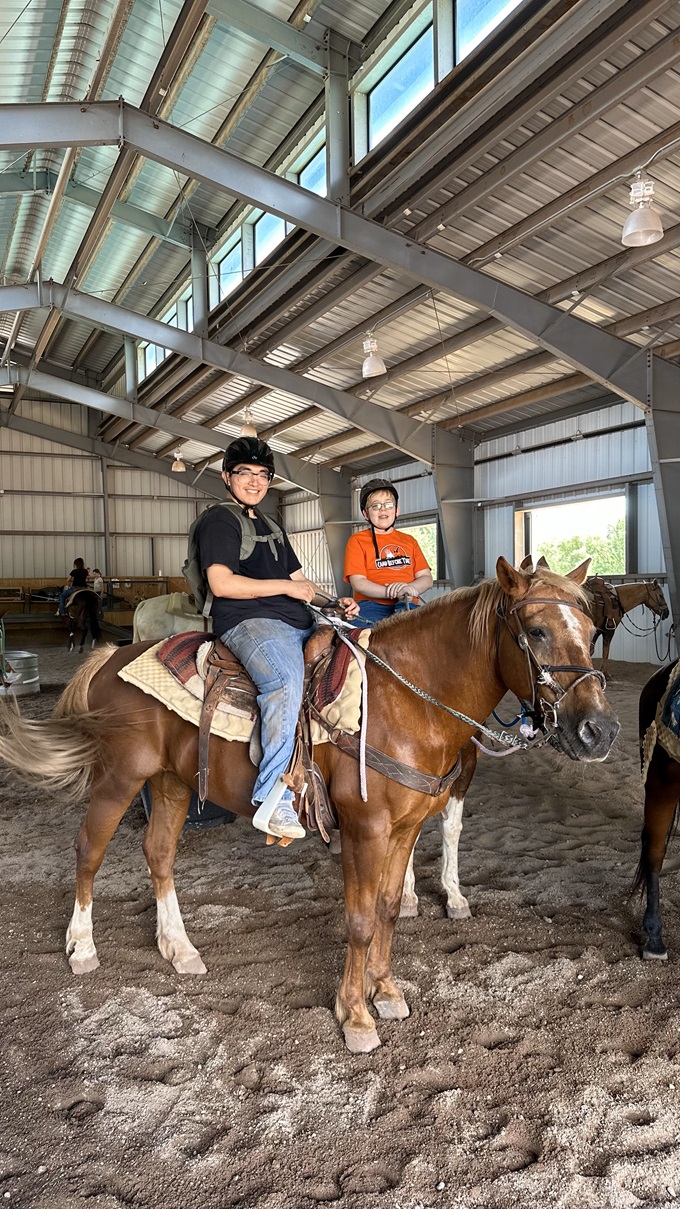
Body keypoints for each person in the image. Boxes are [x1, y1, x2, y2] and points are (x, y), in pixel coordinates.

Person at [198, 436, 359, 841]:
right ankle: (272, 795)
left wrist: (333, 601)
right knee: (285, 681)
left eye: (262, 474)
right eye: (245, 473)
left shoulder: (270, 525)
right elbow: (221, 582)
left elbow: (299, 582)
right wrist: (286, 591)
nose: (254, 481)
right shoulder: (219, 521)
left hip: (296, 616)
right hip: (247, 620)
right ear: (226, 478)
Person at [344, 479, 433, 626]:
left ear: (396, 510)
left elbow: (426, 578)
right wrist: (390, 592)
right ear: (366, 514)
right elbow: (358, 583)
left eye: (388, 504)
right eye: (375, 506)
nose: (383, 509)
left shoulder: (409, 541)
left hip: (407, 604)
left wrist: (409, 590)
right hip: (371, 606)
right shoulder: (357, 541)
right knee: (359, 640)